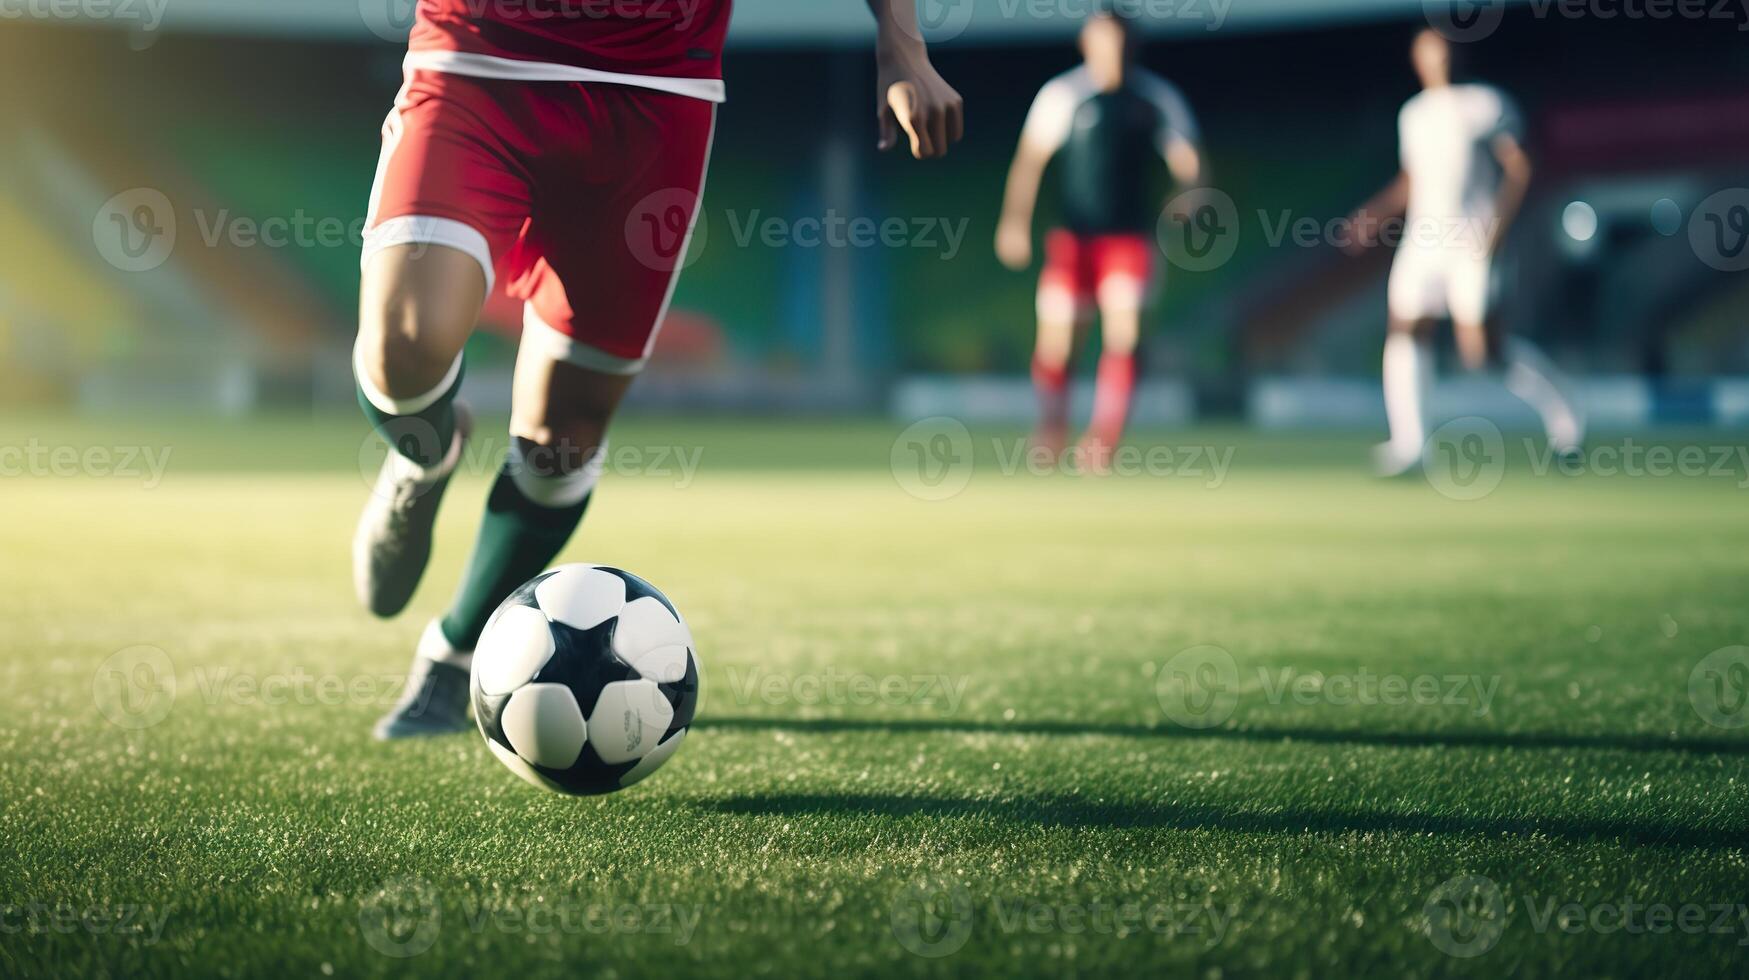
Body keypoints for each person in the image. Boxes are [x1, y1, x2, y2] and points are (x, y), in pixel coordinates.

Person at [356, 0, 964, 738]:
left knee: (562, 439)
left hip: (653, 94)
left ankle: (452, 658)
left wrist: (901, 49)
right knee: (406, 343)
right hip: (477, 60)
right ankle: (424, 455)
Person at [1347, 28, 1582, 476]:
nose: (1441, 60)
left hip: (1473, 240)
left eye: (1447, 52)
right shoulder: (1413, 115)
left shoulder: (1487, 104)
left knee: (1482, 354)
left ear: (1461, 55)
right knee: (1404, 331)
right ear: (1418, 61)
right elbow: (1411, 180)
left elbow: (1521, 167)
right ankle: (1412, 445)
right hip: (1422, 241)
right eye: (1431, 53)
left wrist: (1497, 228)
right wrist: (1373, 215)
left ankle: (1565, 414)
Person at [994, 6, 1203, 472]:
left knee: (1125, 338)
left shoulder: (1156, 99)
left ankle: (1102, 443)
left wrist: (1190, 195)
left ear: (1133, 46)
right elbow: (1030, 162)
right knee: (1058, 344)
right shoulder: (1063, 95)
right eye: (1103, 42)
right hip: (1073, 240)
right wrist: (1013, 222)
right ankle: (1051, 429)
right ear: (1087, 45)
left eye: (1120, 43)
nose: (1112, 52)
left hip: (1130, 241)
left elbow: (1188, 160)